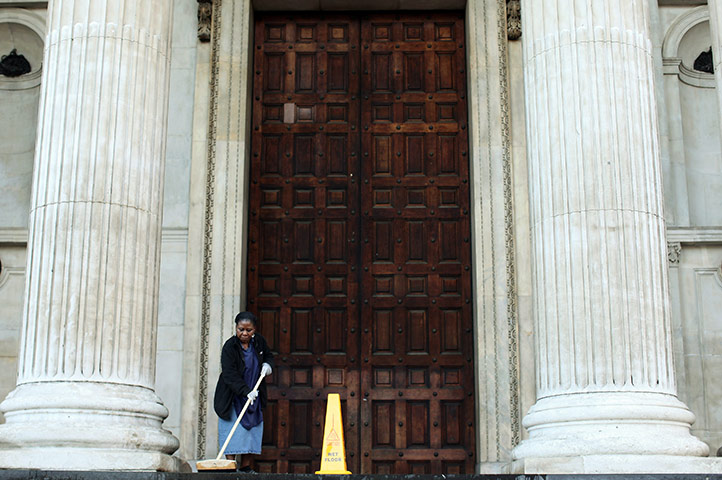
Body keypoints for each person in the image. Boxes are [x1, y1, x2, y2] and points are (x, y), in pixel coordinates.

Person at [214, 311, 274, 472]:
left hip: (254, 393)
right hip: (234, 395)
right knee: (232, 429)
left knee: (251, 430)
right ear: (236, 327)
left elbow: (269, 356)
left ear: (254, 330)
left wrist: (268, 365)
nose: (244, 333)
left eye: (249, 330)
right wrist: (245, 391)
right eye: (241, 329)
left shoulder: (259, 342)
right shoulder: (230, 347)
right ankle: (230, 465)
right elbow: (229, 373)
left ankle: (246, 466)